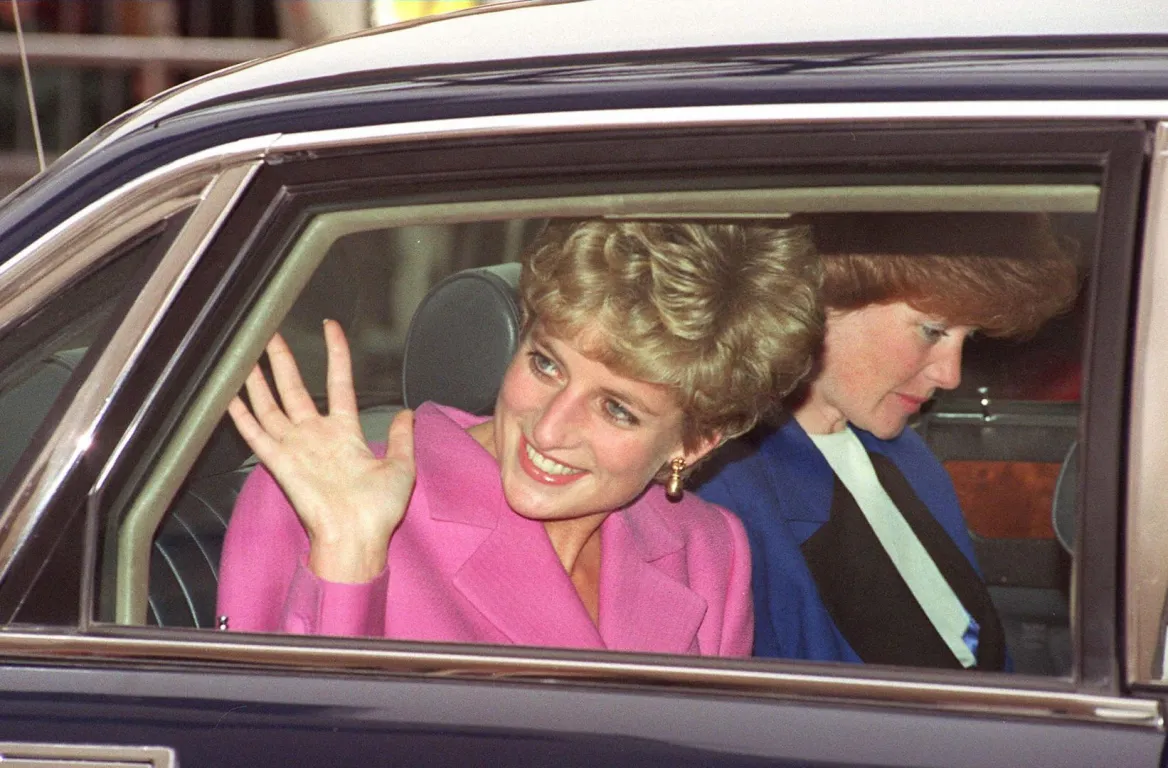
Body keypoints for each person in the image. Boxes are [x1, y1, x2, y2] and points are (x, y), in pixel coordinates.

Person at [216, 219, 822, 656]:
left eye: (616, 409)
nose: (549, 429)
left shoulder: (708, 551)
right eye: (546, 365)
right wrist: (349, 556)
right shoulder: (314, 499)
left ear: (694, 444)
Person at [695, 212, 1079, 670]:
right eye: (932, 331)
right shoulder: (725, 496)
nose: (950, 374)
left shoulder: (909, 457)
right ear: (821, 304)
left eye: (967, 336)